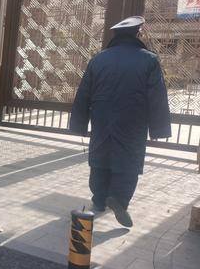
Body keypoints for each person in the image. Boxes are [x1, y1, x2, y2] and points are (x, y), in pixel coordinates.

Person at [69, 16, 171, 228]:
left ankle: (99, 199)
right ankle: (119, 199)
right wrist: (159, 129)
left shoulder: (98, 59)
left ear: (115, 35)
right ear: (138, 34)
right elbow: (157, 97)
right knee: (128, 158)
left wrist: (78, 124)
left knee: (101, 155)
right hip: (133, 119)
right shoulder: (149, 60)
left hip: (101, 117)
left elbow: (84, 93)